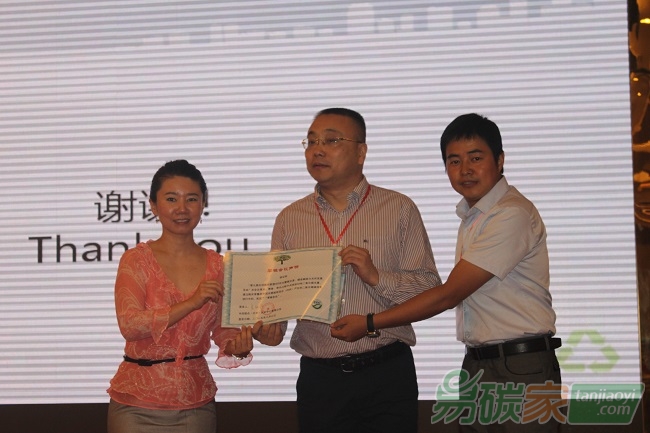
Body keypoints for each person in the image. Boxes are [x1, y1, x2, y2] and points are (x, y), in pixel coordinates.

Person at [331, 113, 561, 432]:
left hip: (520, 367)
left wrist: (369, 323)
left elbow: (449, 295)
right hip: (481, 364)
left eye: (476, 158)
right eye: (454, 161)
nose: (465, 169)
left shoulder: (511, 214)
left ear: (500, 160)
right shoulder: (474, 216)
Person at [267, 107, 442, 433]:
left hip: (387, 373)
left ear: (361, 152)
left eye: (331, 140)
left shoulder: (398, 208)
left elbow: (430, 289)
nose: (317, 150)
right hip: (321, 380)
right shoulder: (290, 219)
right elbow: (279, 299)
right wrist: (267, 329)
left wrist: (377, 277)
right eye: (311, 141)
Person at [107, 159, 256, 433]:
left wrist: (237, 346)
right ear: (153, 206)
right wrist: (190, 303)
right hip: (136, 405)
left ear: (203, 203)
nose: (182, 208)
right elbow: (130, 325)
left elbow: (223, 329)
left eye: (192, 199)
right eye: (171, 199)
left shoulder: (218, 266)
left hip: (195, 403)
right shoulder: (136, 260)